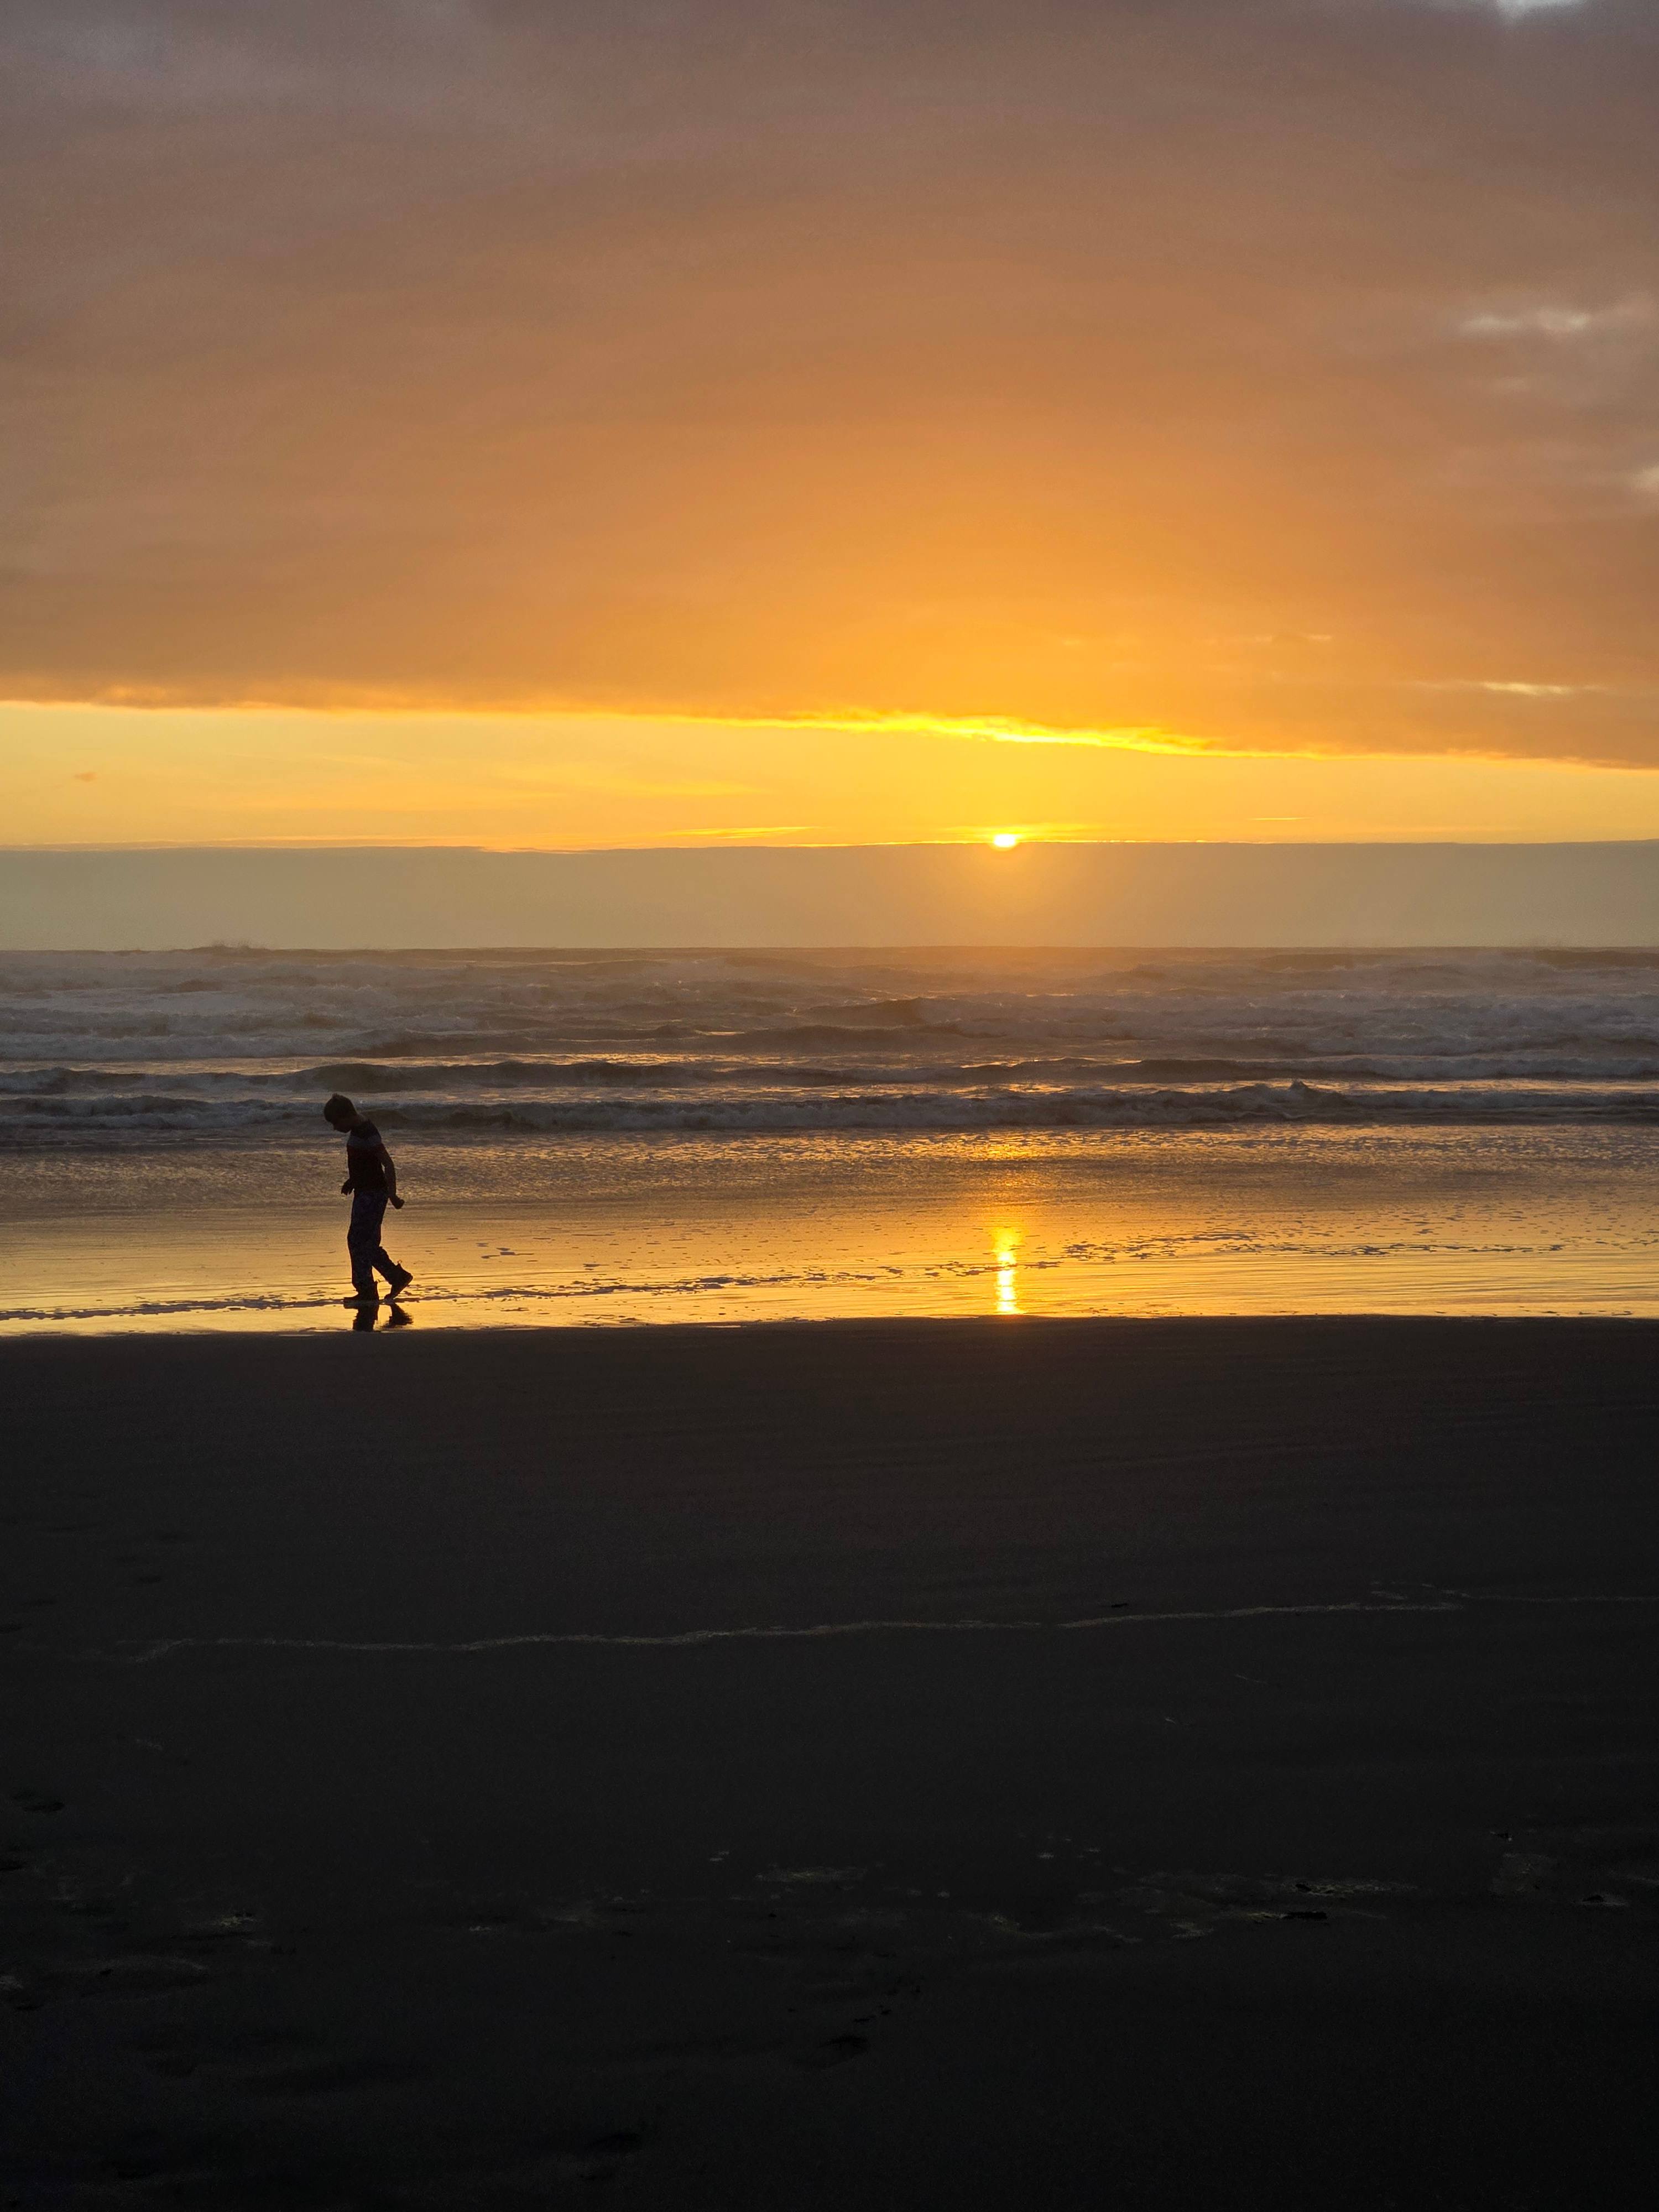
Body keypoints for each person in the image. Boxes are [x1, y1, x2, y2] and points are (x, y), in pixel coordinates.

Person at [322, 1093, 412, 1307]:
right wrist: (352, 1181)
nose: (335, 1128)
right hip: (365, 1192)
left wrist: (392, 1195)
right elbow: (366, 1164)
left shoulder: (366, 1132)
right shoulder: (358, 1130)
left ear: (346, 1116)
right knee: (364, 1242)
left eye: (336, 1123)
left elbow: (387, 1165)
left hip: (373, 1195)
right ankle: (386, 1280)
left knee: (360, 1241)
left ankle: (369, 1288)